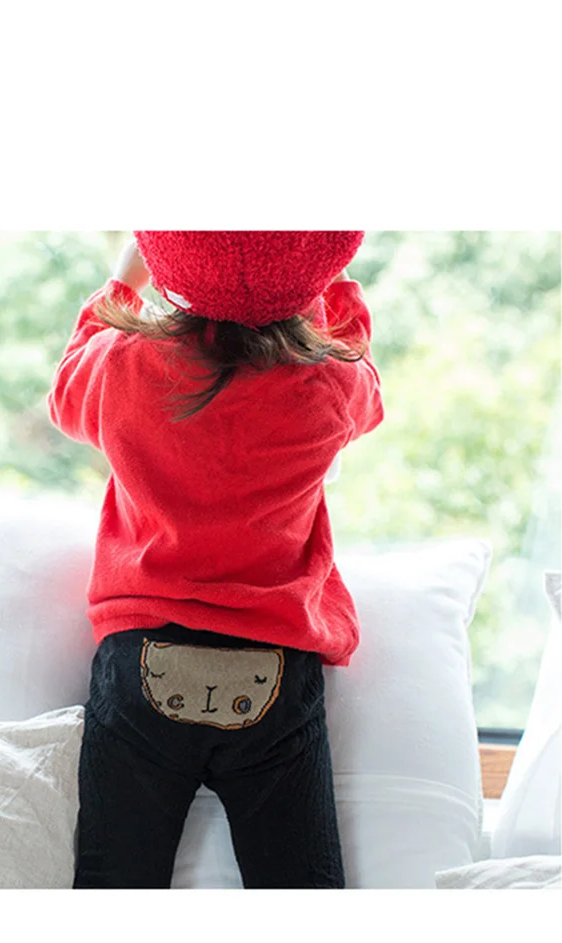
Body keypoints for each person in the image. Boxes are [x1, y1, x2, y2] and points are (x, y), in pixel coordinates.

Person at [47, 231, 383, 888]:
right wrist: (333, 286)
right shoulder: (331, 385)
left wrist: (123, 282)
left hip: (139, 661)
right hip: (276, 670)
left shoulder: (121, 365)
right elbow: (363, 374)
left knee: (114, 883)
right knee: (302, 886)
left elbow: (64, 392)